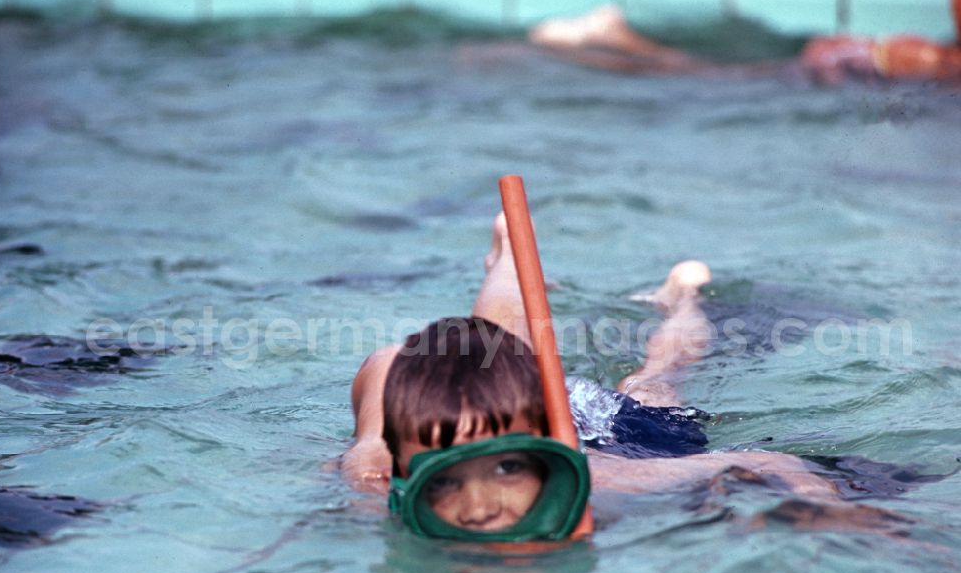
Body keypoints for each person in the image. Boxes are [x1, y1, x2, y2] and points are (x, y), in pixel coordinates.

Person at [340, 211, 882, 541]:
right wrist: (371, 446)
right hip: (507, 419)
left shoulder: (617, 484)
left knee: (655, 381)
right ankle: (505, 261)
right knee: (491, 347)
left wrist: (827, 511)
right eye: (443, 479)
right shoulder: (383, 480)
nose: (478, 509)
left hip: (613, 439)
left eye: (507, 468)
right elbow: (386, 362)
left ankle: (681, 300)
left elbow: (763, 462)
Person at [528, 0, 961, 85]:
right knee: (705, 77)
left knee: (703, 73)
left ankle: (613, 39)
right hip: (812, 77)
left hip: (827, 71)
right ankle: (615, 39)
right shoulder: (927, 60)